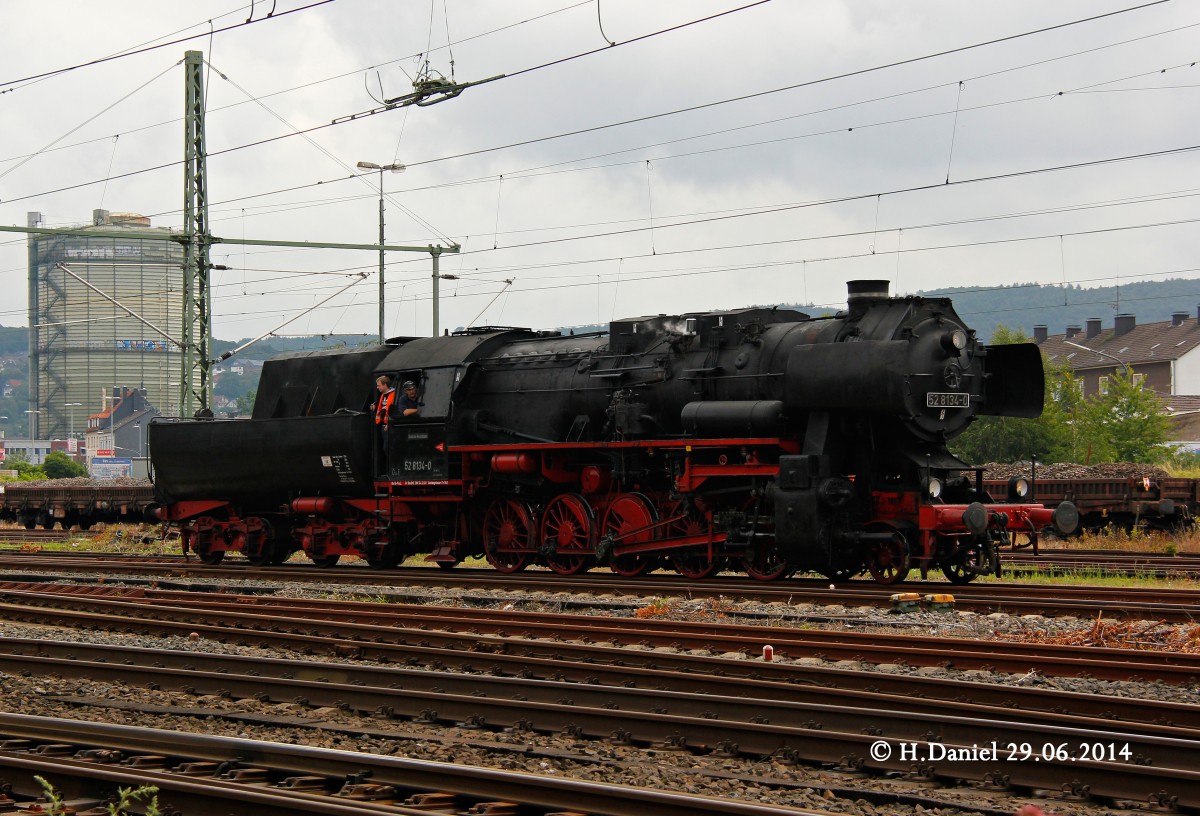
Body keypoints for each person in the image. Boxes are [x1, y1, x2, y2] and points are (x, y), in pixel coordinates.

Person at [374, 375, 396, 468]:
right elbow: (383, 408)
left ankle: (393, 467)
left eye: (379, 385)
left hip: (390, 426)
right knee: (385, 448)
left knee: (388, 448)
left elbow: (393, 410)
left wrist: (389, 423)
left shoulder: (394, 394)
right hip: (383, 425)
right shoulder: (383, 395)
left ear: (385, 385)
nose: (377, 387)